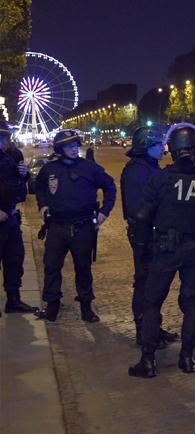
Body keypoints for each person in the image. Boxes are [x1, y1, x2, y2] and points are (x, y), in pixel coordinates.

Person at [128, 124, 195, 377]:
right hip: (194, 247)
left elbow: (141, 215)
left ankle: (148, 360)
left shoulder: (161, 178)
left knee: (152, 303)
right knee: (191, 304)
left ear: (172, 150)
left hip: (165, 247)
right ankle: (187, 358)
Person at [34, 130, 116, 322]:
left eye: (75, 145)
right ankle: (52, 305)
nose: (74, 149)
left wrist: (104, 211)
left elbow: (110, 186)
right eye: (69, 146)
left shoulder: (90, 168)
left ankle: (86, 308)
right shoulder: (49, 169)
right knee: (51, 267)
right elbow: (39, 187)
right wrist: (43, 204)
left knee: (83, 269)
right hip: (56, 226)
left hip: (82, 227)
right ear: (60, 148)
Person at [121, 125, 179, 346]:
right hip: (144, 234)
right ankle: (144, 331)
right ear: (147, 146)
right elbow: (140, 208)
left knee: (153, 283)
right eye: (158, 144)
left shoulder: (148, 167)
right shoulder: (138, 171)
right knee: (144, 282)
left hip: (151, 232)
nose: (162, 148)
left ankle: (153, 327)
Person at [0, 120, 36, 315]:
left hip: (11, 216)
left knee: (15, 258)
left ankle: (13, 299)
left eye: (5, 137)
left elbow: (20, 190)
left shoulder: (13, 156)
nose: (3, 142)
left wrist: (23, 176)